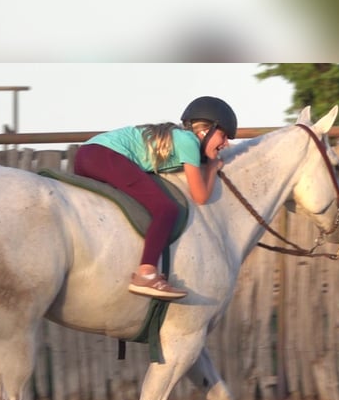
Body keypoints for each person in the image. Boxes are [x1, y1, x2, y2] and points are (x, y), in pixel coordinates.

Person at [73, 95, 238, 300]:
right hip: (104, 155)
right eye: (223, 136)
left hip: (88, 154)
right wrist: (212, 170)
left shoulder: (177, 138)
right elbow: (200, 196)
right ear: (206, 130)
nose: (226, 145)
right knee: (166, 209)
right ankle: (146, 274)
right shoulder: (188, 142)